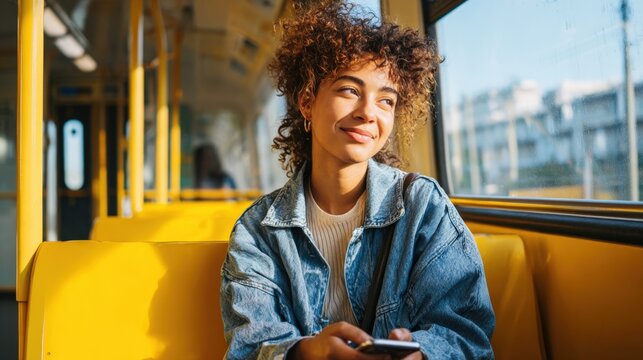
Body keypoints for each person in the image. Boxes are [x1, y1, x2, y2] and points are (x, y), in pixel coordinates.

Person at [220, 2, 495, 359]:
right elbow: (248, 346)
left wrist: (422, 353)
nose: (368, 112)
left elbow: (467, 334)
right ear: (307, 101)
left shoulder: (423, 208)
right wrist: (306, 353)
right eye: (349, 90)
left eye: (386, 100)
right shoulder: (258, 232)